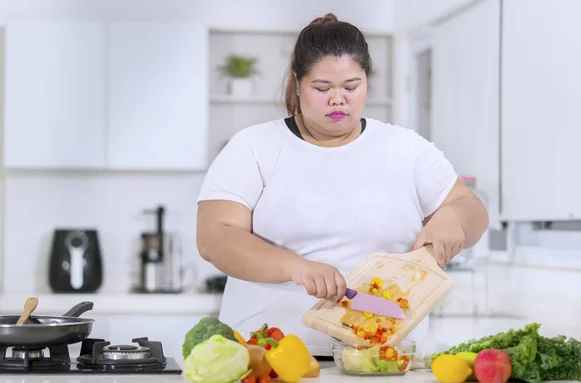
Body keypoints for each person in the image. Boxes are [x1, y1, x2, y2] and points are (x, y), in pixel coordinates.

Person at [195, 13, 489, 357]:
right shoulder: (253, 147)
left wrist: (452, 218)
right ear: (297, 82)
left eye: (352, 87)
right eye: (322, 88)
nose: (338, 99)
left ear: (366, 82)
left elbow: (472, 209)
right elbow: (215, 238)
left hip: (384, 358)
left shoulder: (406, 149)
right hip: (267, 357)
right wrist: (295, 267)